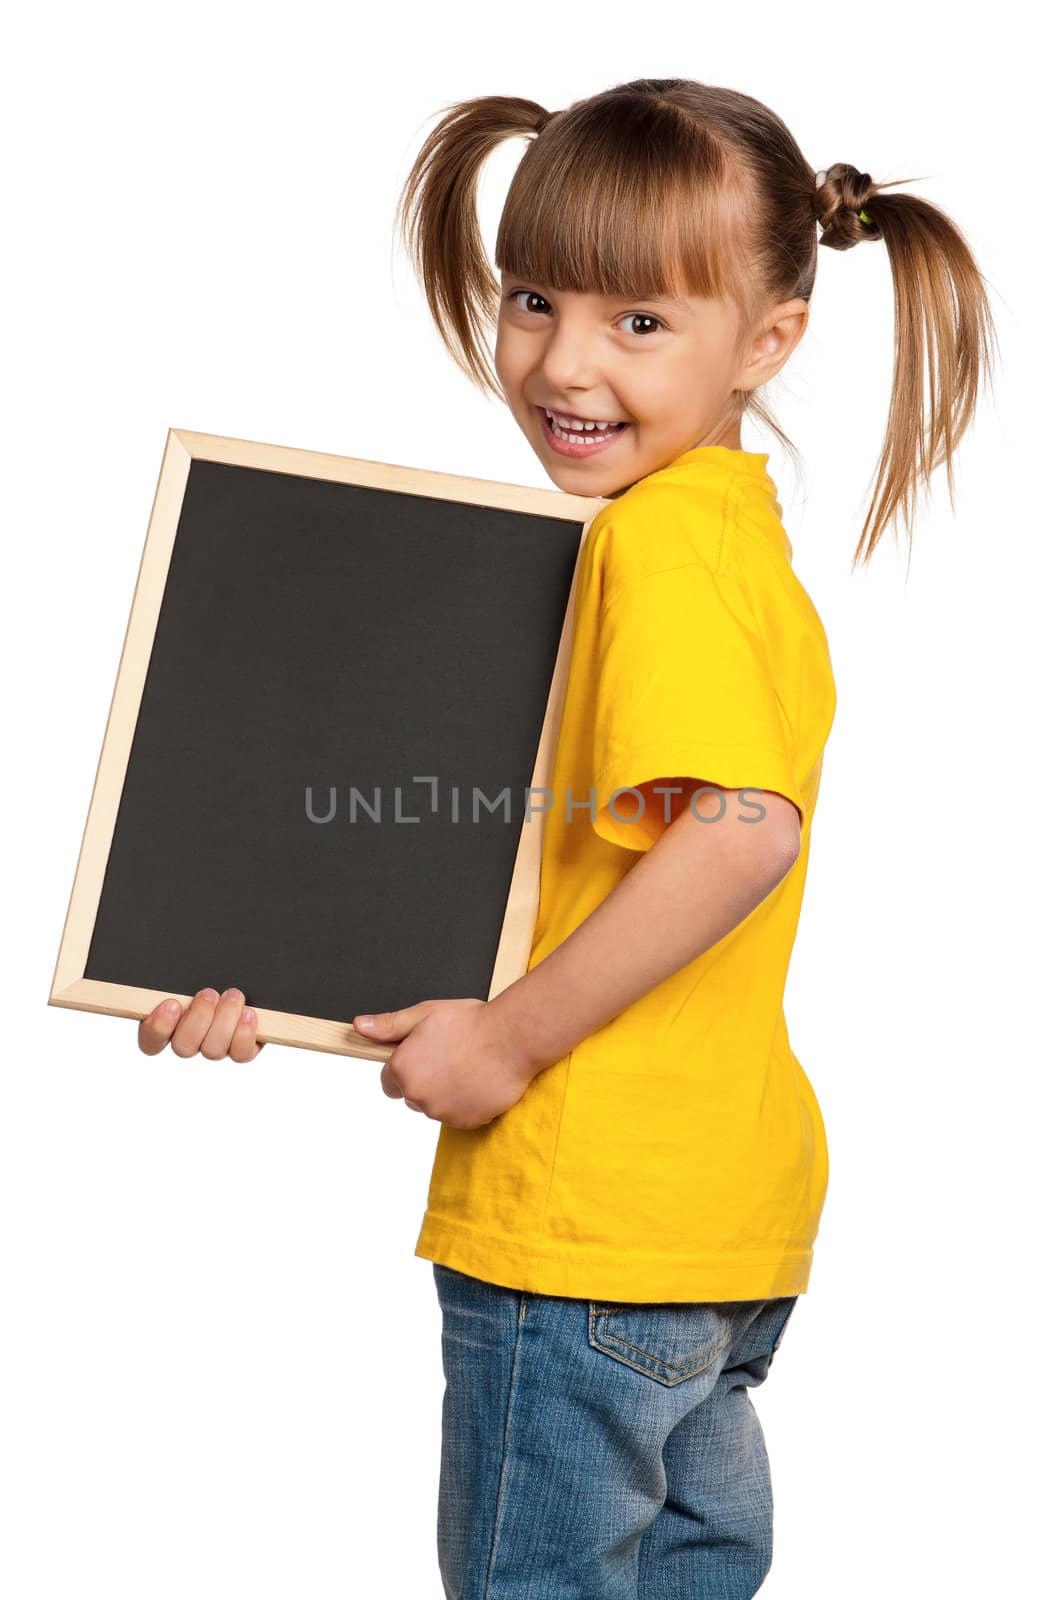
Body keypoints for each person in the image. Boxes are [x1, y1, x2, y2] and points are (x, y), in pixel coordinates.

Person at [138, 78, 998, 1600]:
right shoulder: (724, 538)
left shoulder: (656, 546)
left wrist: (510, 1046)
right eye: (534, 299)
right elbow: (522, 856)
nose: (565, 362)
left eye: (642, 323)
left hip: (583, 1227)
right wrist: (243, 960)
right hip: (711, 1221)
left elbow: (741, 835)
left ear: (771, 339)